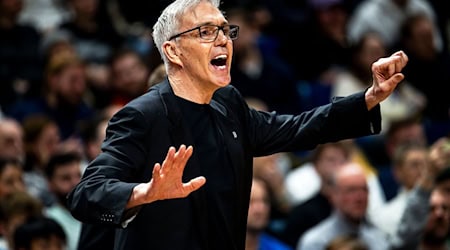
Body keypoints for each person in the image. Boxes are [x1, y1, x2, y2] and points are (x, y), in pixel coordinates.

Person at [66, 0, 409, 249]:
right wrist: (143, 193)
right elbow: (86, 194)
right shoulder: (141, 116)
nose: (223, 40)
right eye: (205, 31)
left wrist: (368, 98)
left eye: (224, 30)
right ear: (173, 52)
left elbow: (297, 128)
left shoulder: (228, 104)